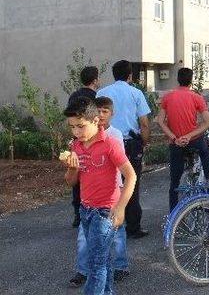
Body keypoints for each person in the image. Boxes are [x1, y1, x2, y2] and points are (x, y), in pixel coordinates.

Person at [60, 97, 136, 295]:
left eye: (80, 127)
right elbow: (71, 181)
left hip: (105, 212)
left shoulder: (110, 144)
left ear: (96, 121)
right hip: (86, 209)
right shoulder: (76, 146)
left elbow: (131, 175)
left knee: (95, 263)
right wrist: (72, 168)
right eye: (72, 127)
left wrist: (120, 208)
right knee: (101, 260)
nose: (76, 132)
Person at [97, 60, 151, 239]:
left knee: (108, 184)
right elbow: (144, 123)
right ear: (130, 75)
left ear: (113, 75)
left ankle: (106, 225)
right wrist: (144, 142)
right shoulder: (136, 93)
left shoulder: (102, 93)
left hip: (106, 142)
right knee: (131, 183)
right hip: (129, 143)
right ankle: (133, 227)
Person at [156, 68, 209, 211]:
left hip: (176, 142)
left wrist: (174, 137)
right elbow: (208, 122)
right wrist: (189, 135)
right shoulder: (196, 97)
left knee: (174, 181)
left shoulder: (168, 97)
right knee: (205, 152)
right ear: (191, 80)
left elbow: (160, 121)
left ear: (178, 79)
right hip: (193, 140)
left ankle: (173, 213)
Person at [68, 66, 101, 228]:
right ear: (95, 80)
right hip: (93, 141)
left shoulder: (74, 96)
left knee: (77, 173)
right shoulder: (97, 96)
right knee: (92, 174)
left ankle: (78, 214)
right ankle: (93, 211)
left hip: (77, 141)